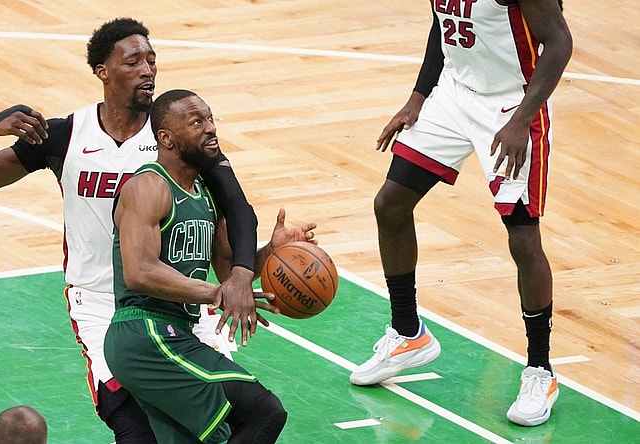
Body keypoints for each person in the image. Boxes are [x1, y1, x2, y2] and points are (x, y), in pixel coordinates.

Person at [0, 18, 263, 443]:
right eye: (133, 61)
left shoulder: (177, 138)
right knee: (135, 426)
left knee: (237, 421)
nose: (147, 70)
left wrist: (242, 272)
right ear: (103, 71)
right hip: (101, 303)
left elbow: (238, 209)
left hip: (180, 303)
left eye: (151, 60)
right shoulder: (65, 135)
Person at [349, 0, 572, 428]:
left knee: (523, 239)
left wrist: (524, 119)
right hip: (453, 93)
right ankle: (408, 334)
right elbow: (443, 24)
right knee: (390, 204)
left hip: (512, 104)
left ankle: (540, 371)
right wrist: (418, 98)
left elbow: (559, 42)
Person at [105, 89, 316, 443]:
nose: (210, 128)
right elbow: (139, 272)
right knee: (263, 410)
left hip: (176, 333)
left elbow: (228, 270)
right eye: (196, 122)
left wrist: (271, 252)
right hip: (144, 334)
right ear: (166, 138)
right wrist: (220, 294)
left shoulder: (205, 194)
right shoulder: (148, 186)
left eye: (211, 119)